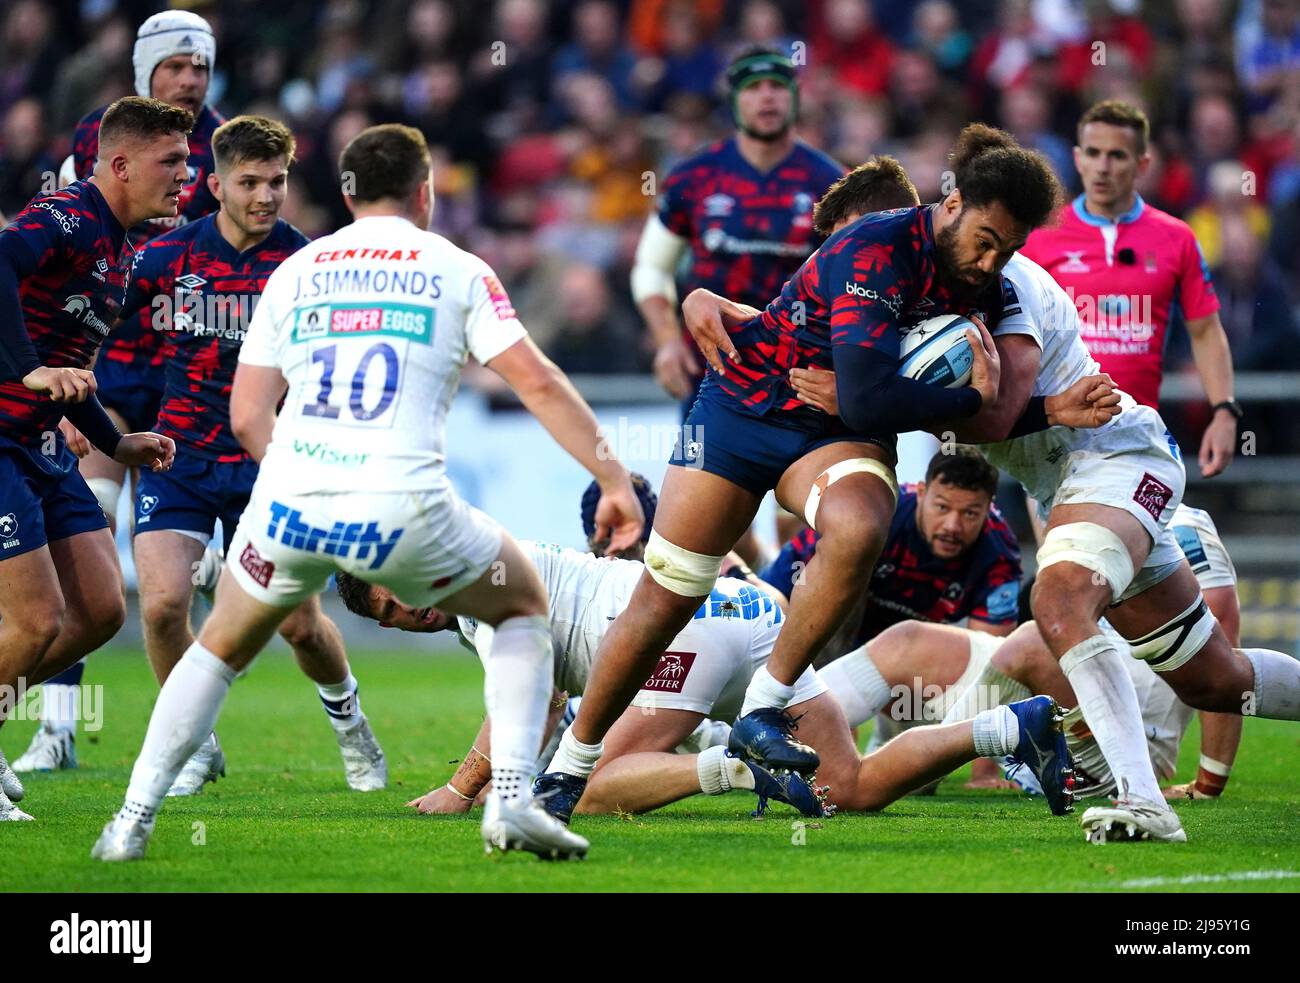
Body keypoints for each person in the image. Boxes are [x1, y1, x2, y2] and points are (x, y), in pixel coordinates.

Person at [91, 123, 644, 861]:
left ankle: (130, 821)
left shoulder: (297, 269)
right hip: (404, 502)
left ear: (345, 193)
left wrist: (296, 475)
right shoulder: (457, 267)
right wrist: (612, 475)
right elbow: (537, 382)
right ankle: (512, 800)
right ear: (426, 192)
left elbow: (248, 415)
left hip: (293, 497)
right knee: (520, 607)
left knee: (215, 648)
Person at [534, 127, 1107, 827]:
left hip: (836, 434)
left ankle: (762, 707)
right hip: (745, 405)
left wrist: (1030, 407)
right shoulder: (873, 247)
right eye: (986, 239)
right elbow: (897, 397)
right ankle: (569, 766)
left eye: (1008, 250)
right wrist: (964, 400)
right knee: (669, 593)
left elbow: (944, 410)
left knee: (861, 523)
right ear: (951, 203)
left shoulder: (991, 288)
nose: (992, 262)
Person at [756, 149, 1300, 842]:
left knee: (1057, 597)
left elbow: (995, 412)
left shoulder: (1002, 285)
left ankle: (1143, 801)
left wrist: (873, 404)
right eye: (838, 249)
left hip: (1116, 453)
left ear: (911, 218)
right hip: (1070, 480)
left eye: (862, 240)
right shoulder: (888, 300)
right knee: (1214, 679)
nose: (853, 264)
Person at [334, 479, 1073, 820]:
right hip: (738, 610)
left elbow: (529, 700)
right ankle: (1012, 727)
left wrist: (463, 789)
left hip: (676, 632)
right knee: (851, 787)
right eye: (394, 618)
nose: (411, 611)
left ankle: (740, 764)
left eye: (398, 594)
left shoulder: (476, 582)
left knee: (585, 784)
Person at [111, 115, 384, 796]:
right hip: (180, 456)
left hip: (272, 461)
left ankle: (350, 721)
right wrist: (105, 414)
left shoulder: (309, 264)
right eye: (250, 181)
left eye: (277, 181)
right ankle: (196, 745)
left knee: (297, 621)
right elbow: (114, 339)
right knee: (163, 604)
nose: (266, 195)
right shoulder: (165, 260)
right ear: (215, 184)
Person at [16, 9, 227, 771]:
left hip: (169, 381)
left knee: (134, 595)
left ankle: (188, 736)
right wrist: (41, 374)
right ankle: (55, 731)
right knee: (63, 585)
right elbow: (35, 268)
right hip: (65, 396)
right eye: (176, 65)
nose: (190, 79)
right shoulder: (86, 175)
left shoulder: (219, 154)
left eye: (201, 67)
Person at [0, 96, 184, 820]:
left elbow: (68, 361)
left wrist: (114, 441)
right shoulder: (68, 217)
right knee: (35, 618)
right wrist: (26, 373)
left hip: (44, 446)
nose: (184, 173)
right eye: (170, 161)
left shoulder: (123, 248)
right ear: (120, 164)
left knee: (102, 609)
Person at [839, 501, 1244, 804]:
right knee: (909, 640)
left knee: (1030, 642)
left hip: (1120, 747)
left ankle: (906, 770)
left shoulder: (1177, 523)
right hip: (1059, 698)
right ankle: (797, 732)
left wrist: (1210, 781)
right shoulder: (1069, 503)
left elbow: (1220, 631)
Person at [1019, 100, 1238, 479]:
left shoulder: (1176, 238)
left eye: (1117, 155)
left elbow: (1205, 330)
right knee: (1066, 539)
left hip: (1135, 434)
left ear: (1142, 165)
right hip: (1055, 439)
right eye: (1093, 153)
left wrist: (1224, 411)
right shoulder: (1041, 237)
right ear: (1078, 158)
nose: (1103, 166)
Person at [631, 47, 844, 418]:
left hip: (800, 376)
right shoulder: (693, 177)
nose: (766, 96)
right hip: (711, 375)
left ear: (794, 98)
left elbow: (851, 280)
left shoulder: (830, 183)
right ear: (733, 101)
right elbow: (651, 268)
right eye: (753, 87)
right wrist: (666, 342)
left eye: (777, 86)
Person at [762, 447, 1022, 646]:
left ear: (989, 509)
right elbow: (803, 587)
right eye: (942, 507)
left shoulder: (999, 558)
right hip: (819, 605)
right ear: (921, 492)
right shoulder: (877, 513)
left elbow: (987, 656)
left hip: (903, 647)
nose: (952, 526)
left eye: (970, 514)